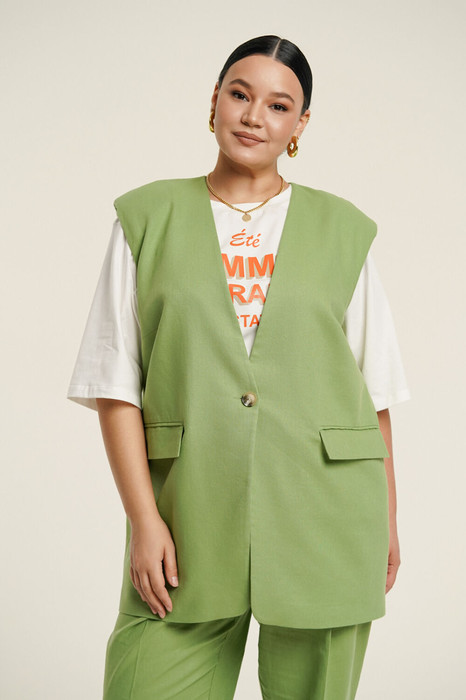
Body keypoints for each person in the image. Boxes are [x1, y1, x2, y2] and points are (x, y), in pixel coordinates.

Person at [68, 35, 410, 700]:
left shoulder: (344, 231)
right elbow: (115, 386)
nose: (255, 116)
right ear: (215, 101)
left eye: (279, 105)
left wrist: (389, 522)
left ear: (299, 125)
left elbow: (374, 395)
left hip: (327, 513)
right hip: (189, 513)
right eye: (240, 94)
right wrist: (145, 521)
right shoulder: (147, 217)